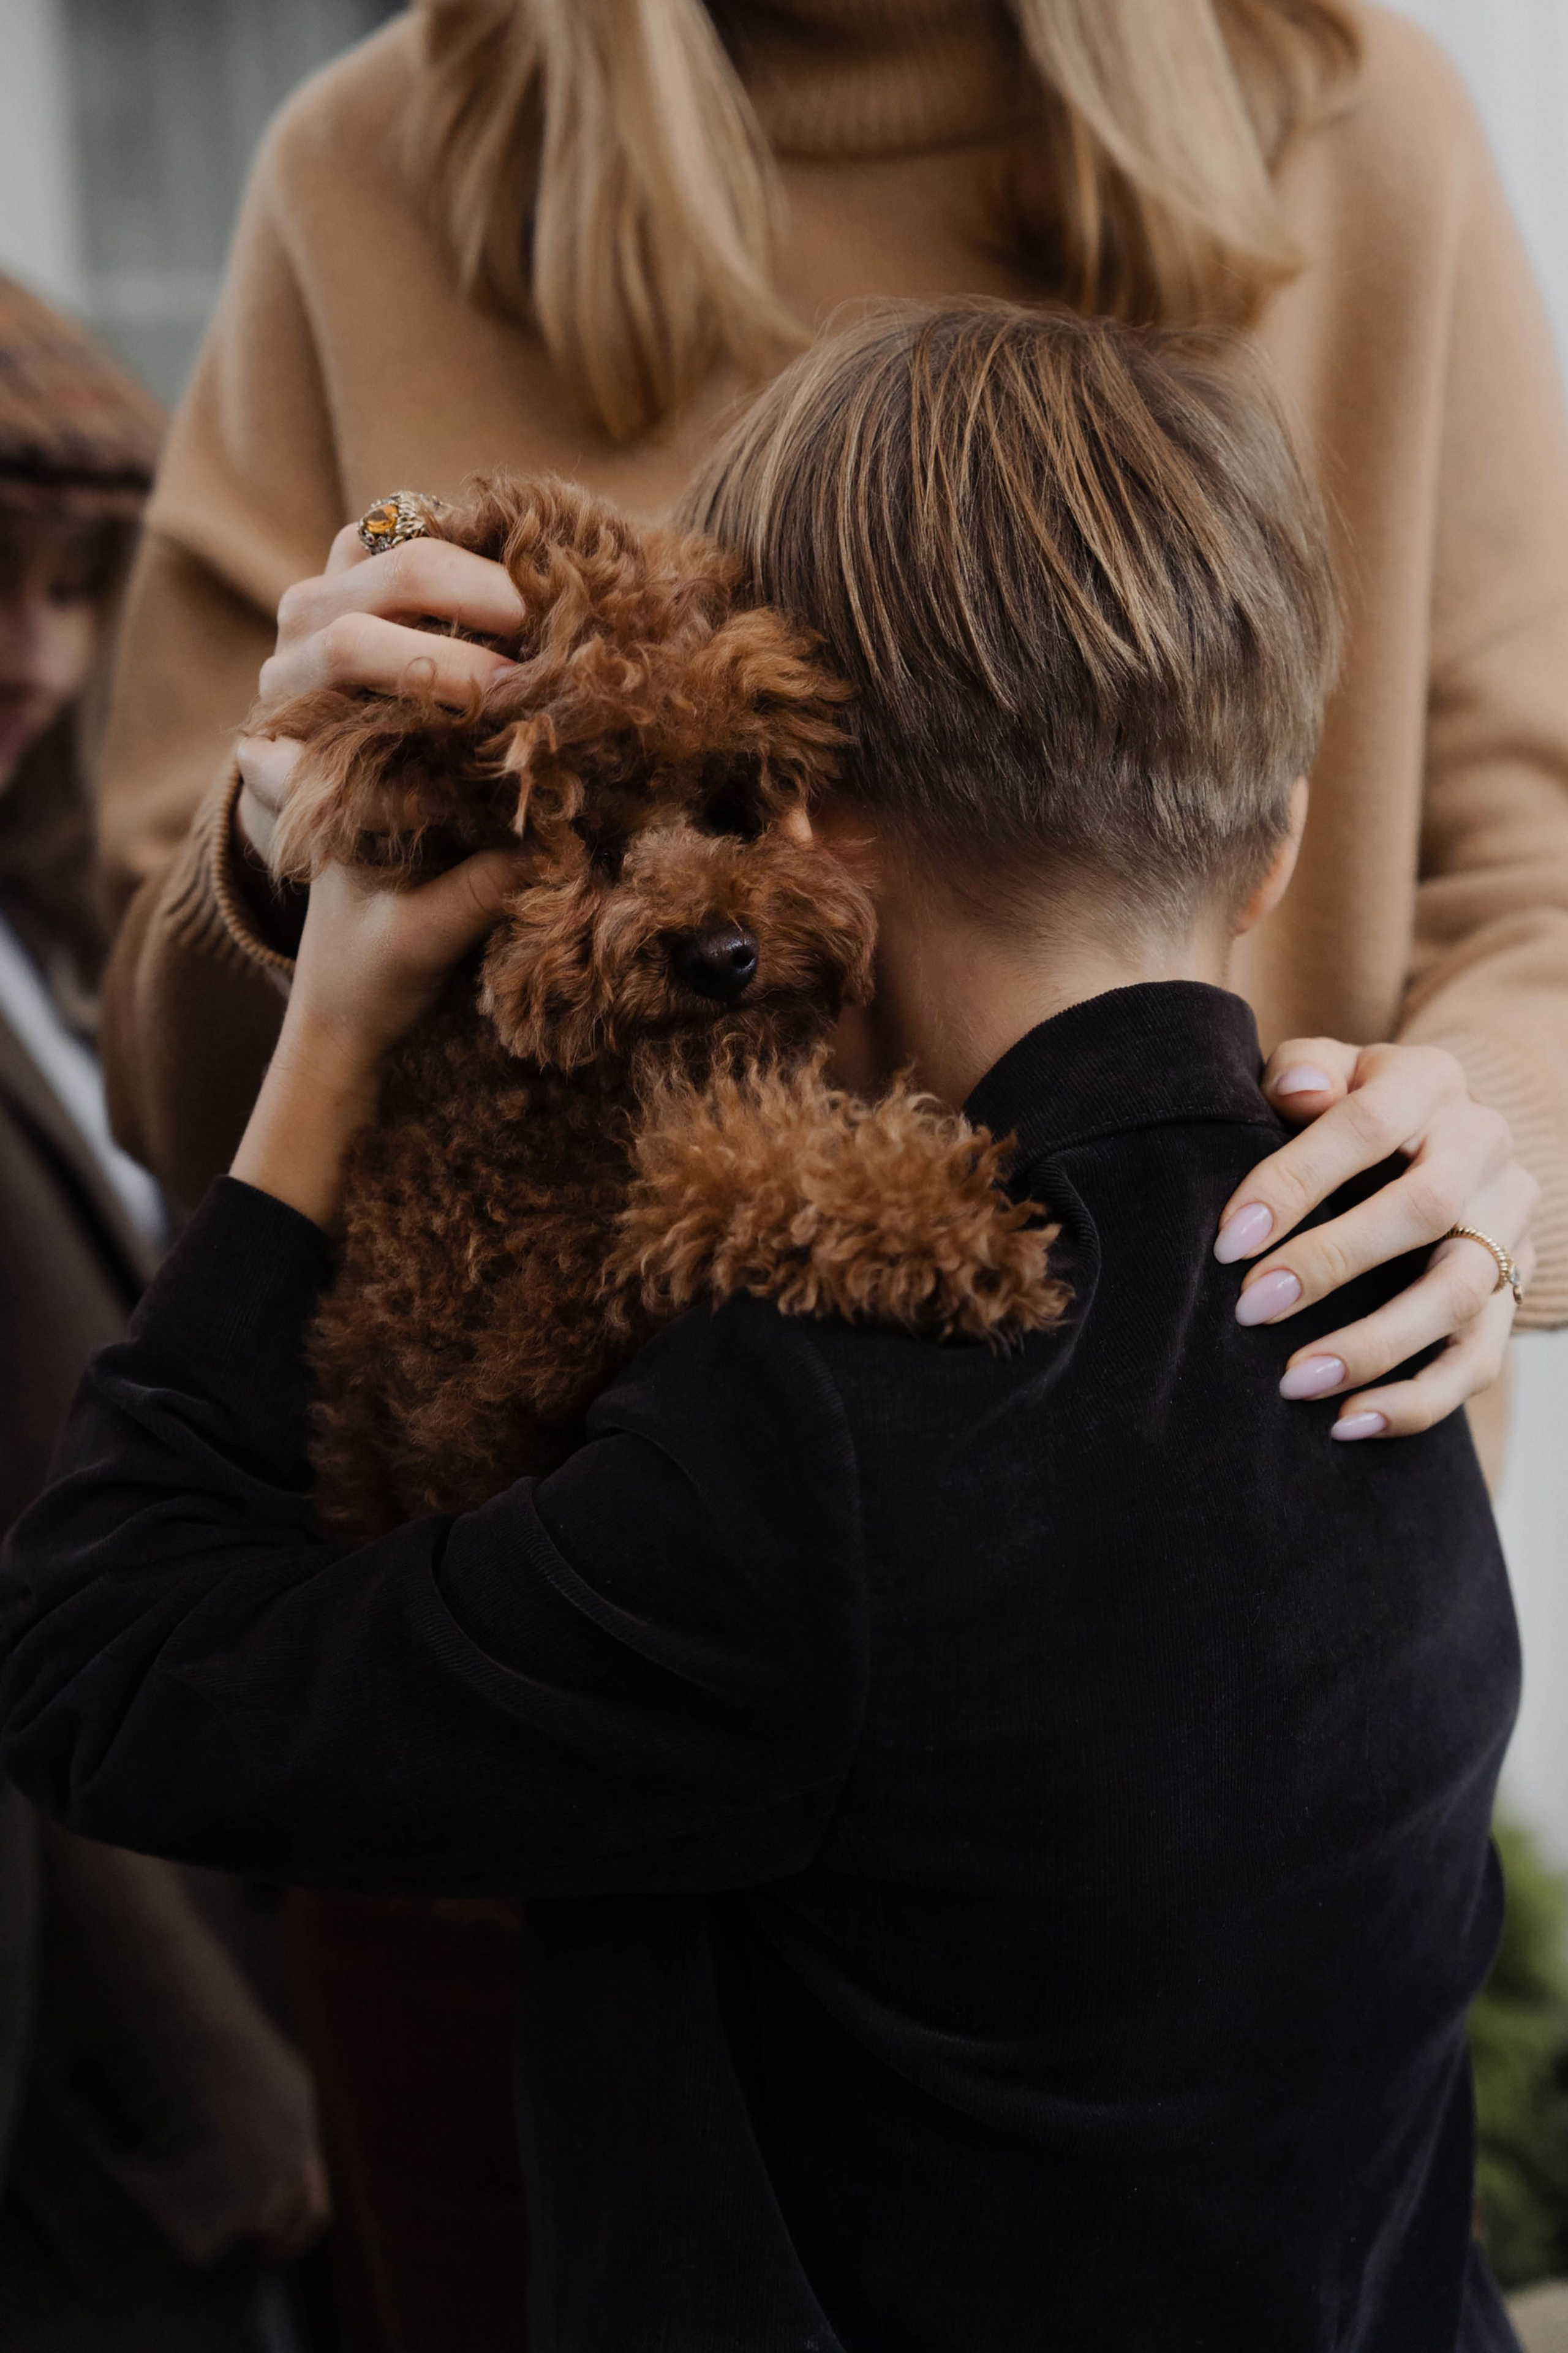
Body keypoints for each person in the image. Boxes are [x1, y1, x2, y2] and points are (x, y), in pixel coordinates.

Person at [93, 0, 1564, 2332]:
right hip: (527, 1644)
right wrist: (297, 875)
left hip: (1216, 1670)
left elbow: (1540, 866)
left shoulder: (1360, 119)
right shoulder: (369, 163)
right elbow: (154, 1040)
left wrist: (1479, 1151)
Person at [0, 271, 328, 2348]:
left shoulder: (63, 942)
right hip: (94, 2080)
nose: (34, 655)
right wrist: (213, 2083)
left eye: (65, 586)